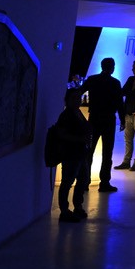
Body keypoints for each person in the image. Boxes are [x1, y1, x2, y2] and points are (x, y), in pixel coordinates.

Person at [81, 57, 123, 192]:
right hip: (109, 120)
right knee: (107, 153)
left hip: (94, 118)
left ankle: (84, 181)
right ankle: (104, 183)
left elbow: (79, 92)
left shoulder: (92, 79)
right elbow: (119, 103)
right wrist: (122, 120)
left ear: (102, 66)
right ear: (112, 68)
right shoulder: (115, 83)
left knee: (89, 151)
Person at [54, 88, 92, 222]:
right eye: (74, 98)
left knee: (82, 179)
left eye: (78, 98)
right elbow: (62, 134)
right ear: (68, 100)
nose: (78, 100)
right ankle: (65, 211)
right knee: (68, 181)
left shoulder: (77, 112)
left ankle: (77, 207)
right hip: (71, 153)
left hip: (80, 153)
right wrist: (80, 139)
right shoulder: (66, 115)